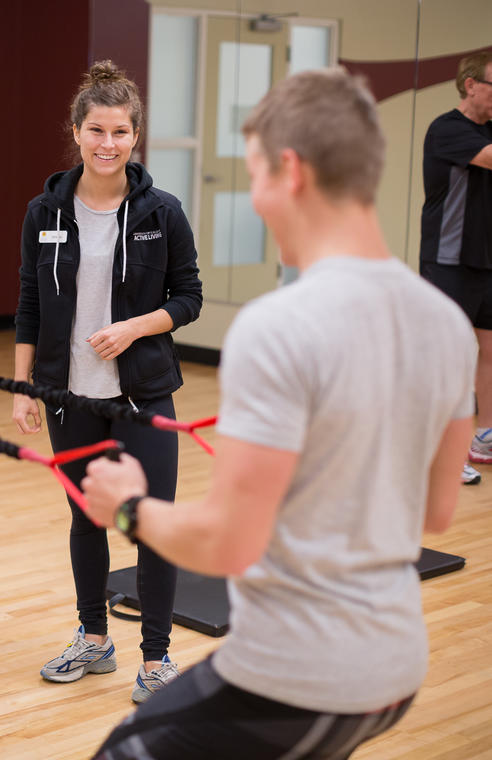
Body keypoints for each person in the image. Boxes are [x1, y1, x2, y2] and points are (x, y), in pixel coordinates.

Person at [80, 68, 474, 759]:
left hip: (302, 676)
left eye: (255, 175)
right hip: (398, 666)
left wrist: (128, 508)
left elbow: (228, 543)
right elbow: (437, 508)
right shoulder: (445, 322)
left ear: (289, 171)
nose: (255, 199)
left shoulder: (279, 326)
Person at [12, 61, 202, 702]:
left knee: (152, 523)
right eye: (97, 130)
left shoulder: (161, 211)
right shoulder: (45, 210)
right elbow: (30, 304)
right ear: (76, 131)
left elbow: (189, 298)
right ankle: (94, 639)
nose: (108, 143)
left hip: (143, 395)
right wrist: (24, 385)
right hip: (70, 396)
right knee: (85, 519)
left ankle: (156, 659)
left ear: (135, 137)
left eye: (121, 132)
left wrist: (134, 327)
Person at [419, 49, 492, 487]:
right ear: (472, 85)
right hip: (450, 262)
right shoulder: (448, 129)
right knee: (447, 359)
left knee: (491, 349)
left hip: (488, 262)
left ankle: (483, 437)